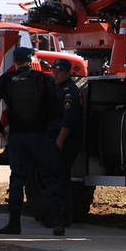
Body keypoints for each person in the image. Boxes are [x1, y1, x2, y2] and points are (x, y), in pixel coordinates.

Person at [0, 47, 64, 235]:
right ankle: (56, 220)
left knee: (17, 179)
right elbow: (57, 108)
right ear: (31, 61)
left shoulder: (5, 80)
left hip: (18, 136)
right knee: (49, 177)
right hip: (40, 135)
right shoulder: (44, 79)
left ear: (14, 62)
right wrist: (47, 127)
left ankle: (14, 223)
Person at [49, 58, 82, 226]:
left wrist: (59, 143)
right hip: (57, 140)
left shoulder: (69, 91)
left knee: (61, 179)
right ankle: (56, 215)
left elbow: (69, 120)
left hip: (65, 142)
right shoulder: (58, 88)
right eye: (54, 70)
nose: (55, 73)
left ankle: (62, 217)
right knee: (55, 178)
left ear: (68, 73)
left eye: (59, 71)